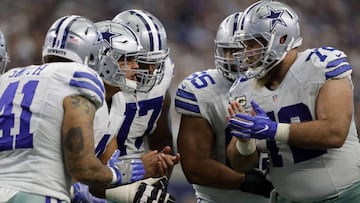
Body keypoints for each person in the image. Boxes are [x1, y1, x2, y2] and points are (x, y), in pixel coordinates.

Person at [0, 15, 166, 203]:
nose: (136, 67)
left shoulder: (8, 78)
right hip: (39, 191)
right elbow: (83, 168)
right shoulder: (80, 77)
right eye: (126, 60)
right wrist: (136, 169)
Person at [226, 1, 360, 203]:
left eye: (253, 43)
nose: (246, 52)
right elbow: (241, 165)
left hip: (345, 197)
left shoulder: (321, 64)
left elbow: (335, 132)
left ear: (280, 39)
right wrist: (245, 143)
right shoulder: (243, 88)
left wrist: (274, 130)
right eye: (245, 44)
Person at [71, 19, 178, 203]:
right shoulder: (75, 99)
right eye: (128, 59)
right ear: (103, 61)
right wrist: (130, 187)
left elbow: (104, 175)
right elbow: (68, 171)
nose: (137, 66)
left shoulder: (116, 102)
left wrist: (139, 182)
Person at [174, 12, 272, 203]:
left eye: (246, 49)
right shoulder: (202, 89)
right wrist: (247, 182)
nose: (238, 58)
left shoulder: (285, 80)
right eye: (231, 50)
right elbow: (194, 166)